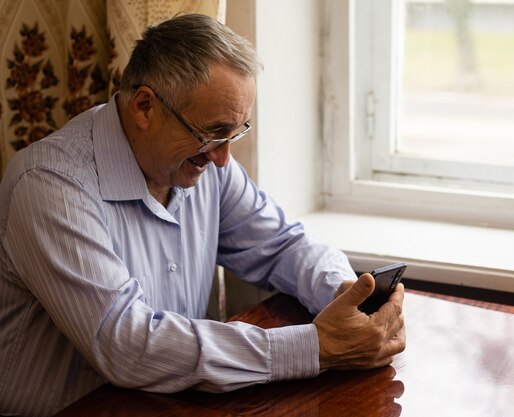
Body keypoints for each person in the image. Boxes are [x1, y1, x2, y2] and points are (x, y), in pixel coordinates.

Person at [0, 14, 405, 417]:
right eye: (213, 132)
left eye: (236, 131)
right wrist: (315, 346)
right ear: (145, 107)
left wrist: (347, 298)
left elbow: (284, 245)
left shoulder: (203, 166)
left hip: (173, 403)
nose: (223, 158)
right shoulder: (50, 185)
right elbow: (128, 345)